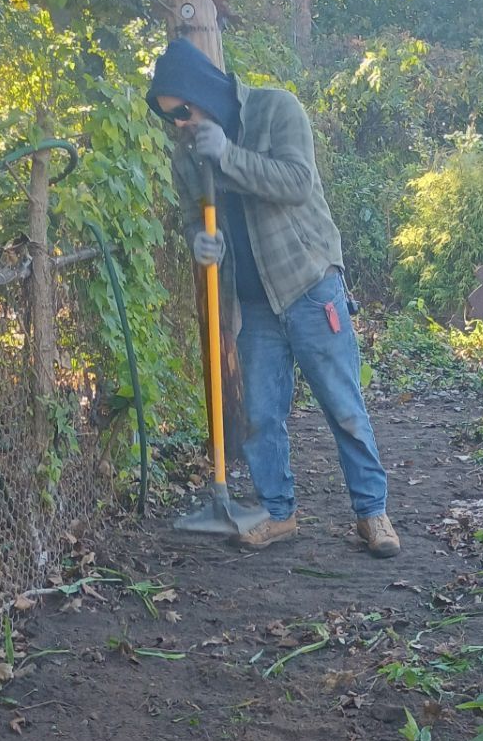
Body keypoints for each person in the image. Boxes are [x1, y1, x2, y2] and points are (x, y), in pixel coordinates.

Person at [146, 37, 399, 557]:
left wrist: (229, 155)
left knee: (344, 407)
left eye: (183, 112)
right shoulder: (186, 153)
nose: (180, 125)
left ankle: (372, 512)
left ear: (201, 92)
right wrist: (199, 240)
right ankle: (278, 513)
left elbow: (296, 182)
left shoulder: (276, 110)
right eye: (171, 118)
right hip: (253, 302)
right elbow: (193, 215)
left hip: (309, 284)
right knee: (261, 415)